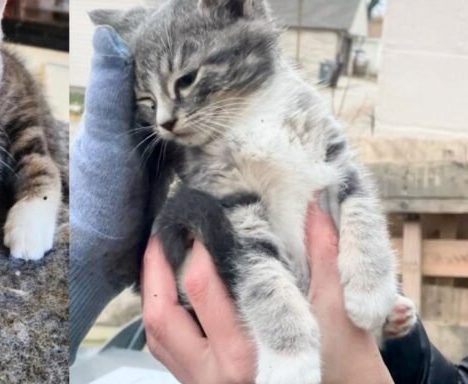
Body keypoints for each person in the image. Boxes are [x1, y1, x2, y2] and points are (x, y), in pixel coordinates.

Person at [70, 25, 467, 384]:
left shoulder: (290, 100)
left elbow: (346, 182)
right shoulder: (201, 148)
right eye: (149, 102)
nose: (166, 120)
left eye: (186, 80)